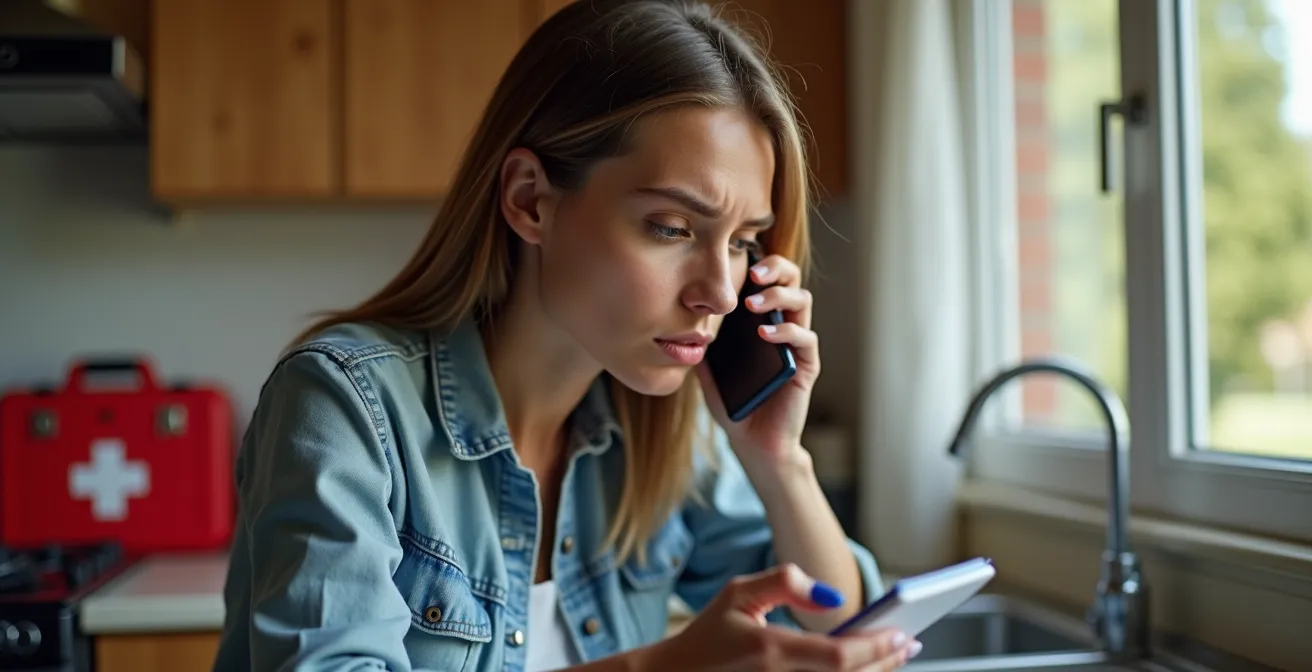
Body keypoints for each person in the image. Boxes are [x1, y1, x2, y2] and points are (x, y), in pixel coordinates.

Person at [213, 1, 921, 670]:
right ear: (530, 200)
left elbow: (843, 636)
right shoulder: (346, 407)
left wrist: (778, 460)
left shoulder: (668, 433)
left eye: (740, 242)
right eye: (672, 228)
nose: (721, 291)